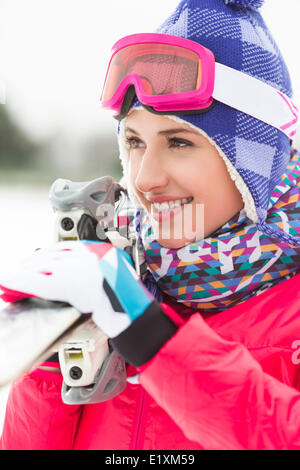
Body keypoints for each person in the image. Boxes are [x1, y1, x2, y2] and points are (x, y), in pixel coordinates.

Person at [1, 0, 300, 450]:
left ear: (256, 166)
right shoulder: (118, 283)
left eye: (179, 141)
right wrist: (50, 359)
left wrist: (153, 341)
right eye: (135, 142)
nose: (144, 179)